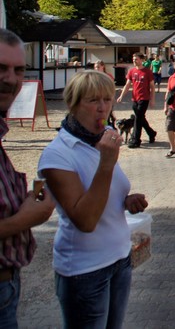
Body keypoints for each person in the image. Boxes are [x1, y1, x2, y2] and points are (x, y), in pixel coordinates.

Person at [37, 70, 148, 328]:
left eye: (107, 99)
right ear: (73, 104)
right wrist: (106, 164)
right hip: (84, 270)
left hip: (120, 257)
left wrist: (125, 200)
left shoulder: (103, 137)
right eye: (93, 100)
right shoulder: (58, 154)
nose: (103, 108)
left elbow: (103, 192)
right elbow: (85, 220)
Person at [0, 29, 56, 327]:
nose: (10, 79)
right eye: (1, 68)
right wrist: (24, 219)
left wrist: (24, 201)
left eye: (19, 70)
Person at [117, 53, 157, 148]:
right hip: (135, 98)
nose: (134, 61)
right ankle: (151, 133)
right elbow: (127, 84)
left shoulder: (147, 72)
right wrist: (121, 96)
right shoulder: (132, 71)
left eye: (136, 59)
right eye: (133, 59)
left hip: (144, 98)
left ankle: (135, 139)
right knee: (140, 118)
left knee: (138, 118)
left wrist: (152, 99)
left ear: (142, 60)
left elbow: (152, 87)